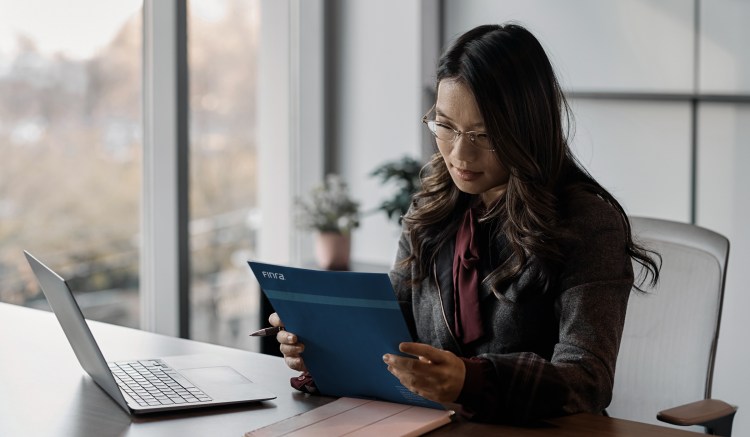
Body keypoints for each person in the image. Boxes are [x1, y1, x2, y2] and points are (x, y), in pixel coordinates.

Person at [269, 23, 660, 424]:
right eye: (446, 126)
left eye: (483, 135)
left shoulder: (587, 223)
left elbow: (587, 379)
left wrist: (472, 380)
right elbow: (392, 337)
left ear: (526, 131)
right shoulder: (431, 209)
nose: (459, 153)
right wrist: (327, 347)